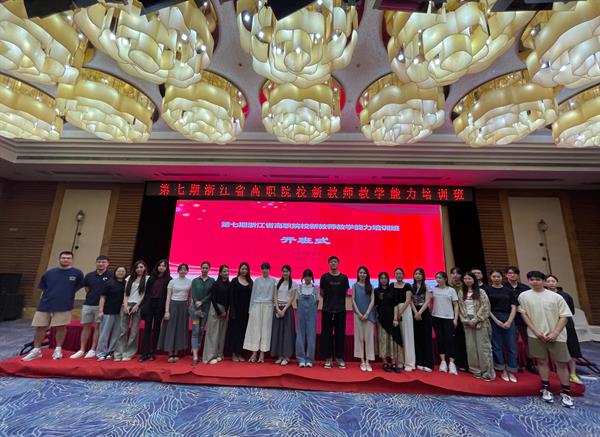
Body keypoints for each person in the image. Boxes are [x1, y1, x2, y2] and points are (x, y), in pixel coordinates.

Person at [519, 271, 574, 408]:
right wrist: (535, 331)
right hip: (536, 335)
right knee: (541, 361)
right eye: (532, 279)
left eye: (538, 279)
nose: (535, 282)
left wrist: (555, 332)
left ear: (543, 281)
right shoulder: (523, 296)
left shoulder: (556, 297)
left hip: (557, 336)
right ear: (528, 281)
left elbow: (564, 316)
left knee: (561, 363)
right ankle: (545, 387)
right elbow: (524, 315)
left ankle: (566, 391)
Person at [22, 251, 84, 361]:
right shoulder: (49, 273)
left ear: (72, 260)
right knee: (40, 327)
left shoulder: (77, 273)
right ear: (59, 259)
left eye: (68, 258)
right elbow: (43, 287)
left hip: (64, 304)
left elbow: (77, 287)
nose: (65, 260)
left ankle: (58, 349)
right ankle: (36, 350)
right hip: (45, 304)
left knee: (61, 327)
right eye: (63, 258)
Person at [70, 255, 112, 359]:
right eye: (99, 262)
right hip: (88, 304)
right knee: (86, 326)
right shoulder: (89, 275)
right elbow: (87, 289)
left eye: (103, 262)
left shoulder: (111, 275)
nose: (101, 264)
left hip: (101, 305)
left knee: (98, 327)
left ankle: (93, 349)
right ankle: (82, 349)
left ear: (107, 264)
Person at [545, 274, 583, 385]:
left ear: (556, 282)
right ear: (545, 283)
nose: (551, 283)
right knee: (556, 349)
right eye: (548, 281)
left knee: (571, 349)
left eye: (553, 281)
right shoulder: (543, 295)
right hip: (551, 324)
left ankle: (573, 374)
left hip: (567, 324)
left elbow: (571, 311)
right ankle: (558, 372)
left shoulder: (565, 295)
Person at [458, 271, 495, 381]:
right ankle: (475, 370)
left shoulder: (481, 292)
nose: (467, 280)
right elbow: (461, 308)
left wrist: (476, 319)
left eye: (469, 278)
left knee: (483, 347)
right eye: (465, 279)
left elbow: (485, 307)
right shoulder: (461, 292)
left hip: (480, 321)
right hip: (467, 322)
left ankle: (487, 372)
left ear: (474, 279)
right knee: (471, 347)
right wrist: (467, 320)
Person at [486, 269, 519, 383]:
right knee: (496, 345)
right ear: (490, 278)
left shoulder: (508, 290)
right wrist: (496, 320)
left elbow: (514, 306)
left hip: (508, 317)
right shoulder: (487, 290)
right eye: (494, 276)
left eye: (498, 276)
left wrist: (509, 321)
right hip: (493, 318)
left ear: (502, 277)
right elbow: (487, 307)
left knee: (511, 346)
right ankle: (501, 369)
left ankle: (512, 369)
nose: (496, 278)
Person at [320, 256, 350, 369]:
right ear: (329, 264)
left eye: (335, 262)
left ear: (338, 263)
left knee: (340, 335)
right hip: (327, 310)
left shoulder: (344, 278)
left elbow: (345, 293)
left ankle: (339, 358)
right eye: (331, 262)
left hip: (340, 310)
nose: (333, 263)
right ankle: (328, 358)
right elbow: (322, 292)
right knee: (326, 335)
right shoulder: (324, 277)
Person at [158, 263, 192, 363]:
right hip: (173, 305)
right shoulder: (172, 281)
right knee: (171, 329)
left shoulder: (190, 282)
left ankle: (176, 352)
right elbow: (168, 297)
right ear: (178, 271)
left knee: (180, 329)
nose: (183, 271)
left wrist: (189, 308)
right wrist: (167, 311)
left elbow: (190, 297)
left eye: (185, 269)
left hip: (183, 307)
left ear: (187, 271)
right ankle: (170, 353)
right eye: (181, 269)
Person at [115, 260, 148, 361]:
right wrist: (125, 305)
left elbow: (143, 294)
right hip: (126, 305)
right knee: (123, 330)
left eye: (141, 267)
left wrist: (137, 305)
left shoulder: (147, 279)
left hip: (137, 306)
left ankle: (129, 353)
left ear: (145, 268)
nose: (139, 269)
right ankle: (119, 352)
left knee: (134, 331)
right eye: (137, 267)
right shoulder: (129, 278)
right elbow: (126, 293)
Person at [506, 265, 537, 374]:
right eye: (510, 273)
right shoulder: (503, 287)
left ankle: (530, 363)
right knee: (512, 341)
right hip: (509, 317)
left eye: (514, 273)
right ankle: (514, 362)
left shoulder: (525, 288)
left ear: (518, 275)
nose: (512, 275)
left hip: (524, 318)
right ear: (506, 275)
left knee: (527, 340)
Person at [139, 259, 171, 362]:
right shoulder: (151, 278)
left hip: (160, 305)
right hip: (149, 304)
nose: (161, 267)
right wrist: (144, 306)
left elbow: (168, 296)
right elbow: (146, 293)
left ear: (166, 268)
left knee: (156, 329)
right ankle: (145, 353)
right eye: (159, 265)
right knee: (147, 329)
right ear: (157, 267)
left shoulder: (169, 279)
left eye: (163, 266)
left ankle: (153, 353)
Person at [244, 262, 277, 363]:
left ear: (269, 270)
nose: (265, 270)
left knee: (265, 330)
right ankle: (254, 353)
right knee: (255, 330)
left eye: (266, 268)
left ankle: (262, 354)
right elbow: (253, 295)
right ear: (261, 270)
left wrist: (274, 308)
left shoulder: (274, 281)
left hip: (268, 307)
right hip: (256, 306)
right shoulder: (257, 281)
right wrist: (250, 309)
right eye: (263, 268)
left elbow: (275, 296)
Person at [431, 271, 459, 375]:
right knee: (440, 340)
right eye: (436, 277)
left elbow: (456, 305)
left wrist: (455, 319)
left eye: (440, 277)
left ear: (445, 279)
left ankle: (452, 363)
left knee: (450, 340)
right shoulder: (433, 289)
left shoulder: (451, 290)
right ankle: (443, 361)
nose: (438, 279)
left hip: (448, 318)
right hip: (436, 318)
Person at [96, 266, 127, 361]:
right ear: (115, 272)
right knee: (104, 333)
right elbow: (102, 298)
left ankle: (111, 351)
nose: (121, 272)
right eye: (119, 271)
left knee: (116, 334)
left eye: (123, 271)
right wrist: (100, 311)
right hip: (108, 311)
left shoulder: (126, 284)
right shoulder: (109, 283)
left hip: (120, 312)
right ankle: (101, 352)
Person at [375, 272, 403, 373]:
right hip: (381, 320)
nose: (383, 280)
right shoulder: (376, 291)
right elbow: (375, 305)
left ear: (388, 279)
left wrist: (395, 318)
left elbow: (395, 305)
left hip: (392, 319)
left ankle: (394, 363)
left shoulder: (392, 290)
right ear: (379, 280)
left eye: (385, 278)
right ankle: (385, 363)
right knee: (383, 340)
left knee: (392, 340)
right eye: (381, 278)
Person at [203, 265, 231, 364]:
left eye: (227, 271)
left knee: (221, 334)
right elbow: (213, 298)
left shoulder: (229, 284)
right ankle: (210, 357)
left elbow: (228, 299)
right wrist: (219, 311)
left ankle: (219, 354)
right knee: (213, 333)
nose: (226, 273)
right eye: (224, 271)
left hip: (224, 311)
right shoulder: (216, 284)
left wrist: (225, 311)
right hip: (215, 309)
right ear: (220, 273)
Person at [270, 265, 297, 365]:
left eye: (287, 271)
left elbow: (292, 298)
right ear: (281, 272)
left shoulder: (293, 283)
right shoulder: (277, 282)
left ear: (290, 272)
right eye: (284, 271)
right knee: (278, 332)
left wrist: (284, 310)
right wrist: (277, 308)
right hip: (278, 308)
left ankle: (286, 357)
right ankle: (280, 356)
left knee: (287, 333)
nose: (285, 273)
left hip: (287, 309)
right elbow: (275, 295)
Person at [226, 262, 253, 362]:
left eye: (246, 269)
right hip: (235, 312)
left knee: (243, 333)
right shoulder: (234, 281)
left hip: (246, 312)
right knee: (235, 333)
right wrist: (232, 311)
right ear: (239, 269)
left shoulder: (250, 282)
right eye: (242, 269)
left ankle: (240, 353)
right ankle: (234, 353)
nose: (244, 271)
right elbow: (231, 297)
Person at [190, 261, 215, 365]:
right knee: (195, 330)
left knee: (201, 330)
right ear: (200, 269)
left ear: (209, 269)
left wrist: (202, 302)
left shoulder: (212, 281)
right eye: (203, 268)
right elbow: (193, 293)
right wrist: (197, 302)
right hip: (195, 309)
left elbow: (211, 294)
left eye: (206, 268)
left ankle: (196, 348)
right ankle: (195, 355)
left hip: (205, 309)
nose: (204, 269)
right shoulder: (195, 281)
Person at [351, 266, 375, 372]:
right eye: (360, 272)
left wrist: (367, 313)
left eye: (364, 273)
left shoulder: (371, 286)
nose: (362, 274)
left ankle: (368, 361)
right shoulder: (354, 286)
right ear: (358, 274)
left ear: (367, 275)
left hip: (369, 316)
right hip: (358, 315)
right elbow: (353, 300)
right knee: (359, 338)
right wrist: (359, 313)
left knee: (369, 339)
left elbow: (372, 301)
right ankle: (362, 361)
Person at [410, 267, 434, 372]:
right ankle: (419, 362)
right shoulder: (411, 286)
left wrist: (420, 312)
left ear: (423, 276)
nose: (417, 276)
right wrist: (415, 312)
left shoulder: (427, 286)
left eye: (419, 274)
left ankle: (428, 363)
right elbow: (410, 301)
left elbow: (428, 301)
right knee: (417, 337)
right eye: (416, 274)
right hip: (414, 312)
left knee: (426, 338)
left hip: (424, 313)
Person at [393, 267, 415, 372]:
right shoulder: (392, 285)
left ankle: (409, 363)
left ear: (403, 275)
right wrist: (395, 314)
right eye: (397, 273)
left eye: (400, 273)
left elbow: (408, 300)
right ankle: (400, 361)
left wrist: (400, 312)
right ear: (394, 275)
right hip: (395, 309)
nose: (399, 275)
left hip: (405, 310)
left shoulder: (407, 285)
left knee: (407, 336)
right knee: (399, 337)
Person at [296, 269, 319, 368]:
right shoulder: (299, 288)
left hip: (311, 314)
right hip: (301, 314)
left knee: (311, 335)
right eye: (305, 276)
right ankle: (301, 359)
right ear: (303, 277)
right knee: (300, 334)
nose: (307, 278)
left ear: (312, 277)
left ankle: (309, 359)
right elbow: (297, 301)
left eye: (309, 276)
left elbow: (317, 302)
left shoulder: (315, 289)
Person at [449, 266, 468, 371]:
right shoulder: (447, 286)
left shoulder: (465, 287)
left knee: (462, 339)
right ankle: (454, 361)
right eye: (453, 273)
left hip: (463, 316)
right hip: (449, 315)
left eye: (458, 273)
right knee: (453, 339)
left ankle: (464, 362)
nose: (455, 275)